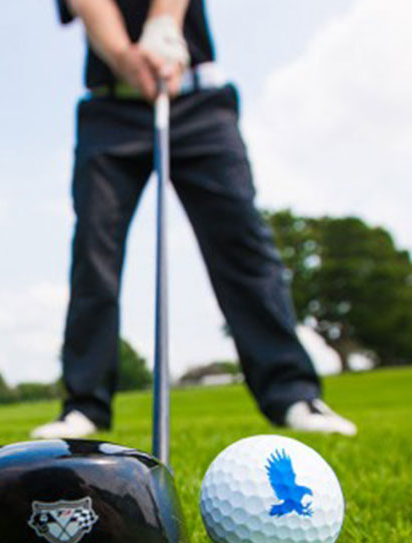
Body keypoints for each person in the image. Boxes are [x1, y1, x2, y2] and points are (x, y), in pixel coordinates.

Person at [32, 0, 357, 440]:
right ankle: (84, 404)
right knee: (94, 250)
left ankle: (292, 393)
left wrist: (162, 25)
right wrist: (125, 57)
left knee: (242, 245)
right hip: (110, 110)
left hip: (198, 99)